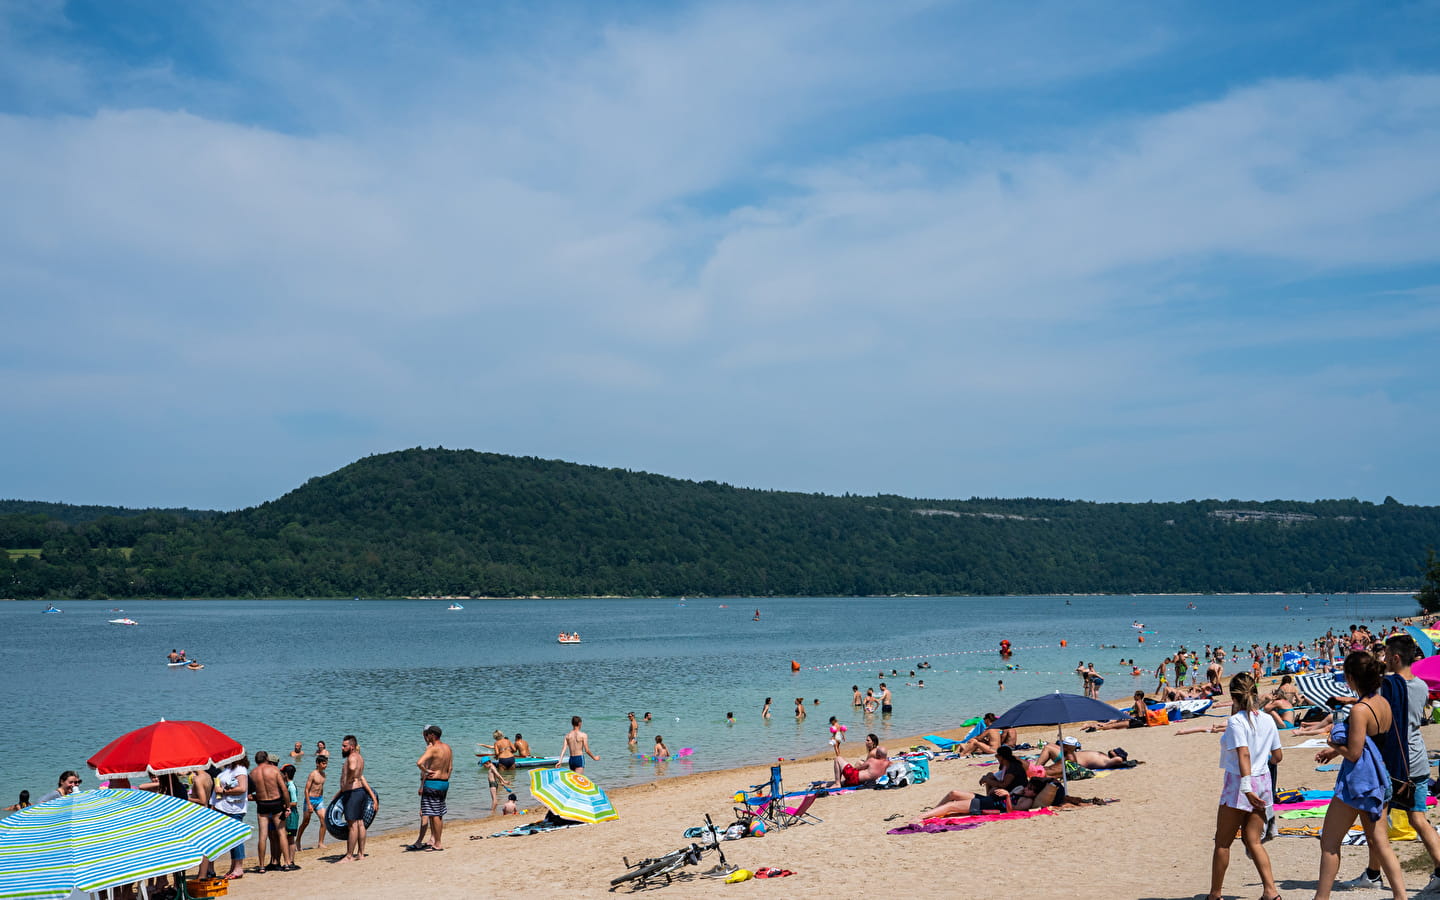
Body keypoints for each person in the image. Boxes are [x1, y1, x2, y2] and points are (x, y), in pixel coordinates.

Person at [1339, 634, 1440, 893]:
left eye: (1385, 656)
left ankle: (1376, 876)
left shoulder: (1388, 686)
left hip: (1393, 762)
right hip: (1417, 760)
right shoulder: (1420, 686)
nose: (1383, 660)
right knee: (1417, 818)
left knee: (1377, 824)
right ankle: (1379, 873)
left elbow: (1375, 711)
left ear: (1395, 657)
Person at [1311, 652, 1406, 900]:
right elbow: (1369, 743)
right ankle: (1401, 896)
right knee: (1381, 844)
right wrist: (1334, 752)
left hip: (1359, 783)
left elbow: (1353, 753)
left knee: (1330, 842)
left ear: (1351, 678)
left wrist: (1333, 741)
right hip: (1380, 779)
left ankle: (1320, 898)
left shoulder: (1359, 710)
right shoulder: (1382, 702)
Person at [1205, 672, 1281, 900]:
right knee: (1253, 840)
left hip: (1240, 784)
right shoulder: (1267, 719)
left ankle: (1215, 894)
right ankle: (1271, 891)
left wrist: (1247, 787)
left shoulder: (1236, 721)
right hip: (1263, 781)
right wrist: (1261, 764)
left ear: (1233, 696)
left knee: (1223, 842)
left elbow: (1244, 753)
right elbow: (1277, 756)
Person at [336, 734, 379, 863]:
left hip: (353, 793)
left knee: (352, 825)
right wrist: (373, 797)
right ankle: (361, 854)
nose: (342, 747)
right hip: (360, 792)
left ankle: (349, 856)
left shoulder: (352, 758)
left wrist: (348, 780)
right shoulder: (360, 757)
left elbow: (353, 769)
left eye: (344, 746)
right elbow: (361, 778)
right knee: (360, 823)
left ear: (352, 746)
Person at [249, 750, 292, 873]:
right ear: (267, 759)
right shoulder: (274, 770)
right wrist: (288, 806)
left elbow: (248, 794)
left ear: (256, 761)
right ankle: (287, 863)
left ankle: (261, 866)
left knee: (262, 836)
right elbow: (284, 790)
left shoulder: (252, 773)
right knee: (281, 833)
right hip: (276, 803)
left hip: (262, 804)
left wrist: (259, 798)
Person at [414, 724, 452, 852]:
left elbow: (419, 763)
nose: (426, 737)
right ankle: (437, 841)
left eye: (428, 735)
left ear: (432, 735)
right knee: (439, 814)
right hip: (444, 783)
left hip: (433, 783)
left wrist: (426, 770)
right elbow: (450, 768)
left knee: (434, 814)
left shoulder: (433, 748)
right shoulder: (447, 748)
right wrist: (445, 778)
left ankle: (438, 843)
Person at [213, 756, 249, 880]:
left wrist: (223, 791)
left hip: (234, 808)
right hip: (225, 807)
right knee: (231, 839)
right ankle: (233, 866)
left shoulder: (240, 769)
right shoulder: (229, 768)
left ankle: (238, 868)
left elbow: (242, 788)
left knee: (237, 837)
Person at [295, 754, 328, 852]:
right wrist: (309, 804)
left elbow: (321, 788)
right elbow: (306, 790)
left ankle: (320, 843)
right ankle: (297, 841)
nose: (325, 765)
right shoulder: (313, 774)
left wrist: (321, 798)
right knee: (306, 822)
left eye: (326, 763)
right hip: (310, 799)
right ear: (317, 764)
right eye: (323, 763)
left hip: (319, 800)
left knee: (324, 819)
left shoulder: (324, 775)